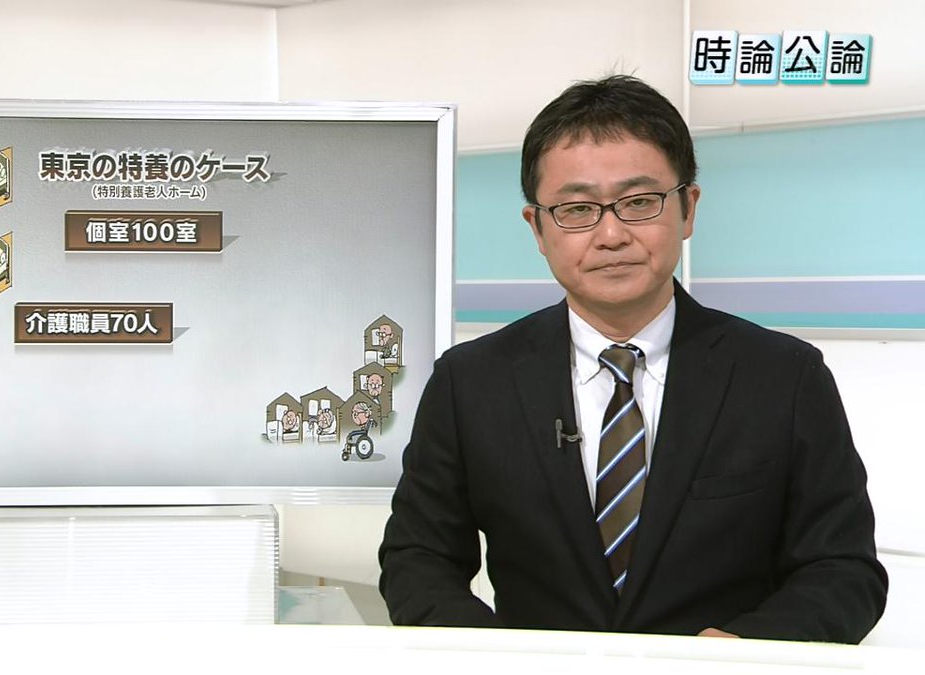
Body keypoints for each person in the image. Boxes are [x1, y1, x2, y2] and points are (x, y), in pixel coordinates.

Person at [379, 75, 887, 643]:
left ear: (688, 208)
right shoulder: (470, 382)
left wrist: (744, 652)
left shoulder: (784, 376)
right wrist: (500, 659)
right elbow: (417, 561)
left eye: (640, 202)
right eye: (577, 209)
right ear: (538, 228)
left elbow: (843, 570)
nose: (611, 234)